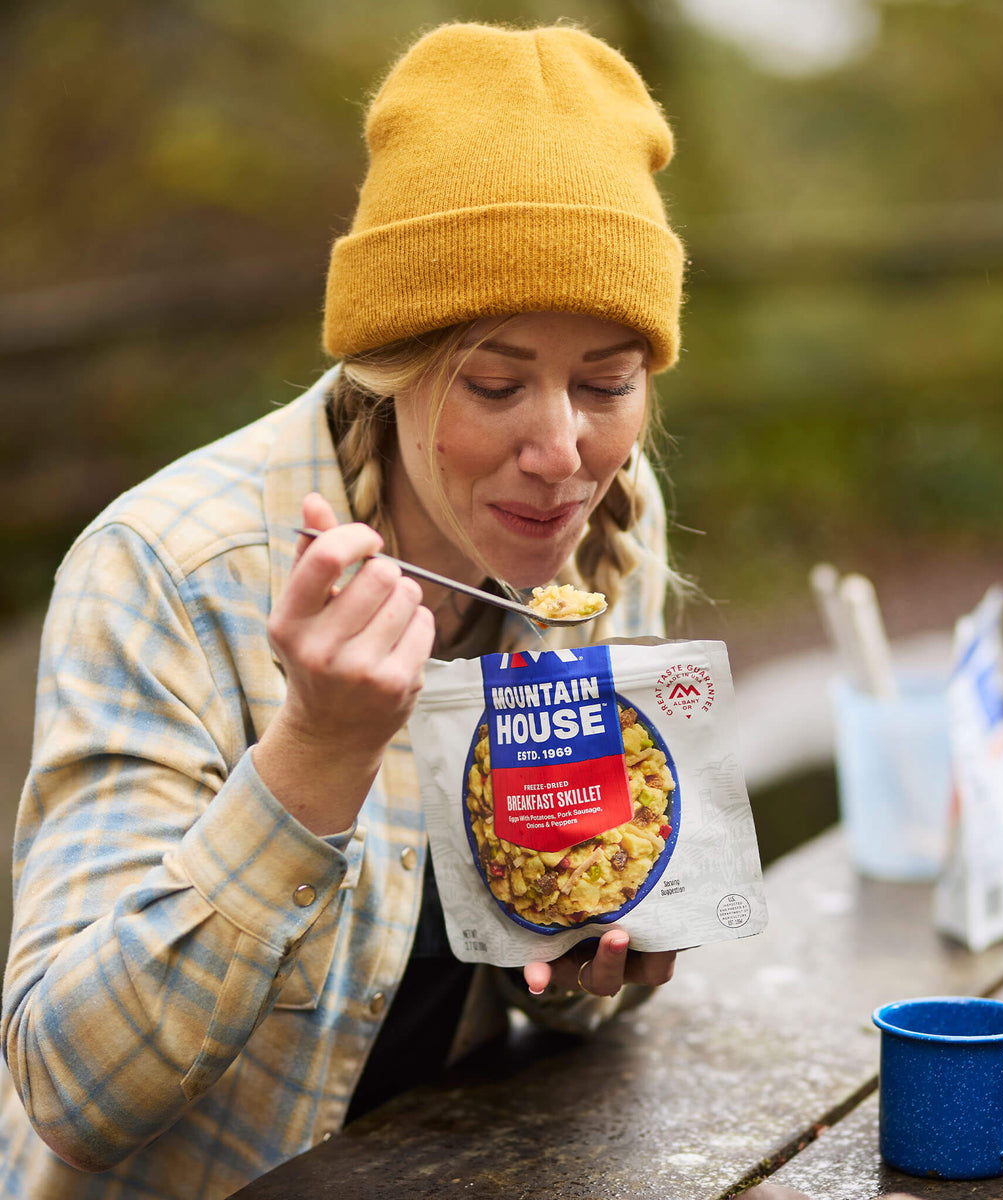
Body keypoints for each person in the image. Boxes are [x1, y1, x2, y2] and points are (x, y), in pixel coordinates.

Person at [0, 22, 685, 1199]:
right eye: (497, 381)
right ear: (390, 358)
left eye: (608, 384)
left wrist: (597, 963)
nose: (564, 451)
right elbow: (70, 1093)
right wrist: (314, 758)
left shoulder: (599, 521)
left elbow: (555, 990)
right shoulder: (166, 570)